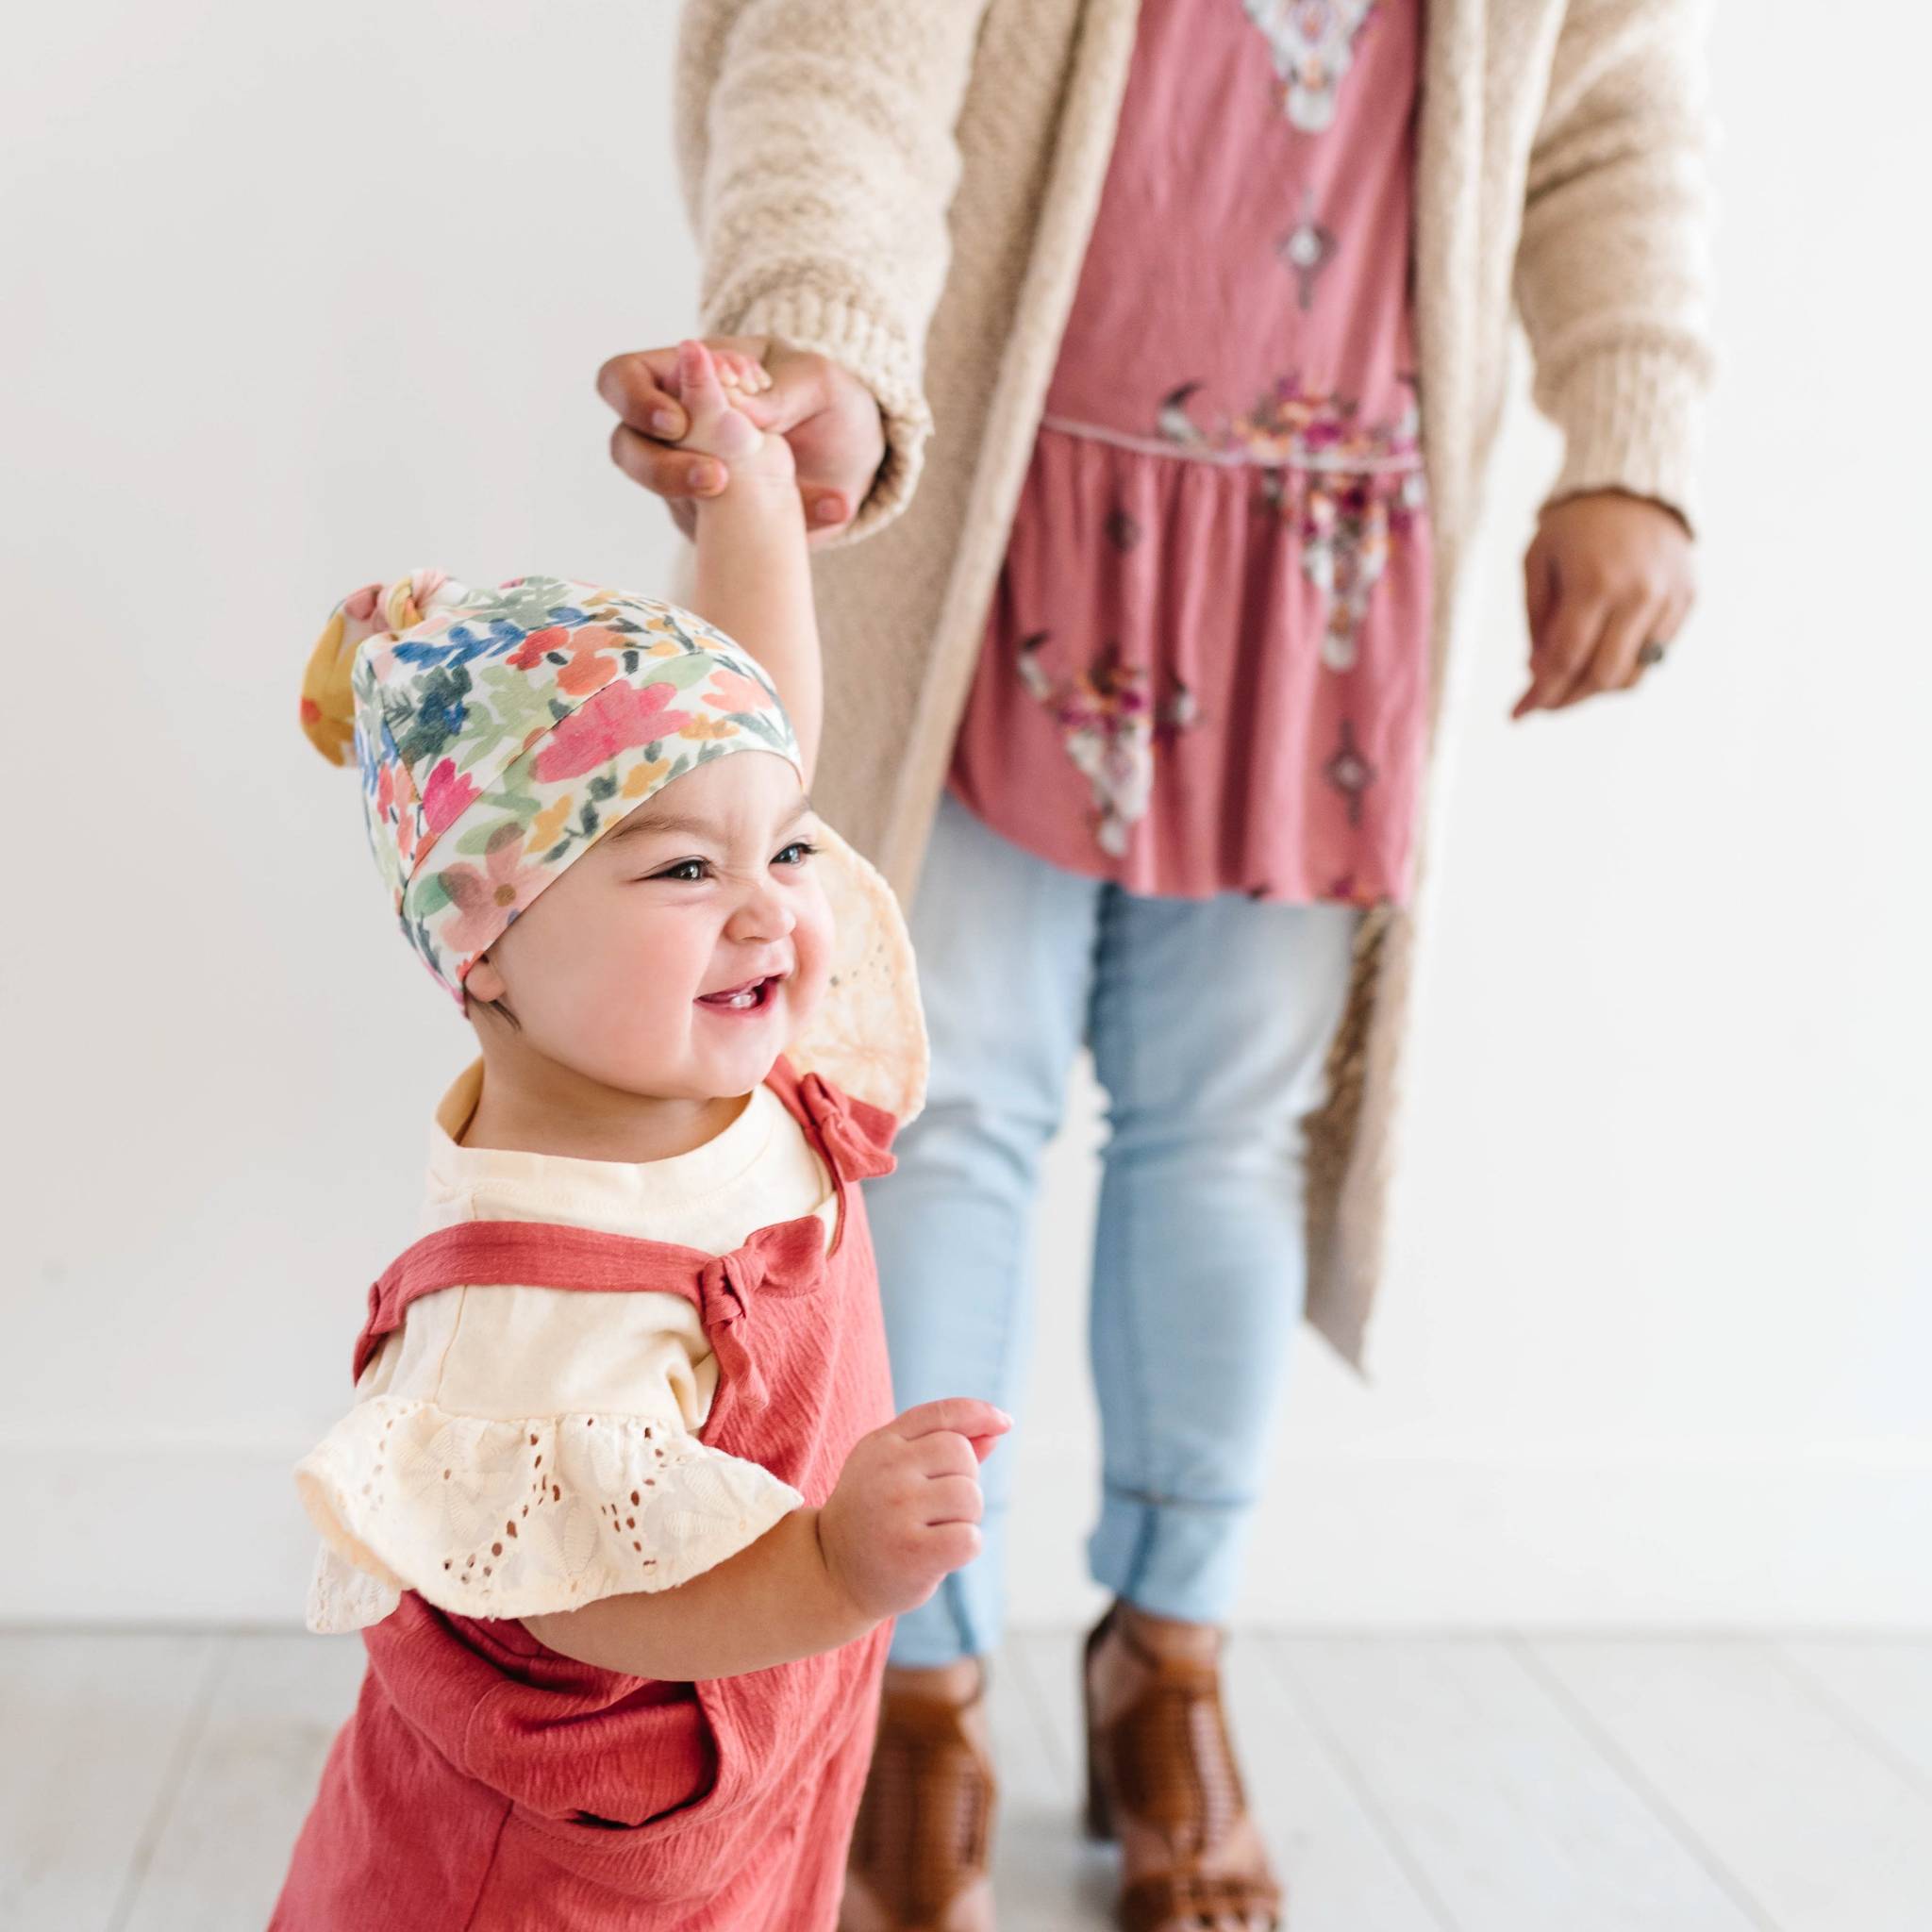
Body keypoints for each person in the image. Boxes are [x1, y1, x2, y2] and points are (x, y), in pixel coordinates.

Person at [600, 4, 1712, 1926]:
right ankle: (912, 1677)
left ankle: (1169, 1653)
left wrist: (1632, 443)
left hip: (1324, 565)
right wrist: (818, 339)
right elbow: (840, 64)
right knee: (928, 1111)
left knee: (1233, 1135)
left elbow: (1608, 111)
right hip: (992, 526)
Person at [271, 340, 1009, 1932]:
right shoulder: (531, 1303)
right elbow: (600, 1595)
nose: (768, 909)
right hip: (561, 1870)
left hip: (750, 1760)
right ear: (487, 948)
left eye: (787, 853)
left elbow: (758, 727)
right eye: (685, 872)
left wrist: (748, 493)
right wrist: (836, 1571)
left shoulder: (701, 1050)